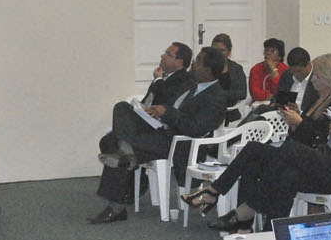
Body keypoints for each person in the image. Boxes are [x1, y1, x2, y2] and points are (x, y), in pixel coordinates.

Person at [189, 61, 331, 229]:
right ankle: (268, 236)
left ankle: (234, 206)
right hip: (329, 158)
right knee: (275, 167)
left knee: (287, 150)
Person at [87, 46, 227, 224]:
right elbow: (170, 103)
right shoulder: (193, 85)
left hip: (179, 143)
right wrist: (156, 111)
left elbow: (195, 128)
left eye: (198, 61)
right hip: (161, 131)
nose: (193, 63)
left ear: (207, 70)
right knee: (122, 108)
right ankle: (125, 153)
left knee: (112, 142)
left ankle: (116, 206)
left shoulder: (216, 97)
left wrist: (166, 112)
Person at [208, 33, 248, 106]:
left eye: (222, 50)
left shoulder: (237, 68)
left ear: (229, 52)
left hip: (230, 111)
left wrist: (220, 94)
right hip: (208, 111)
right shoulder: (203, 67)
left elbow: (242, 93)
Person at [247, 38, 288, 102]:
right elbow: (255, 94)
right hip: (260, 105)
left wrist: (274, 70)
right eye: (266, 50)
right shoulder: (256, 69)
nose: (268, 53)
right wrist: (273, 97)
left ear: (280, 56)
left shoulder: (286, 70)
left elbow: (283, 93)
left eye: (272, 51)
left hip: (279, 106)